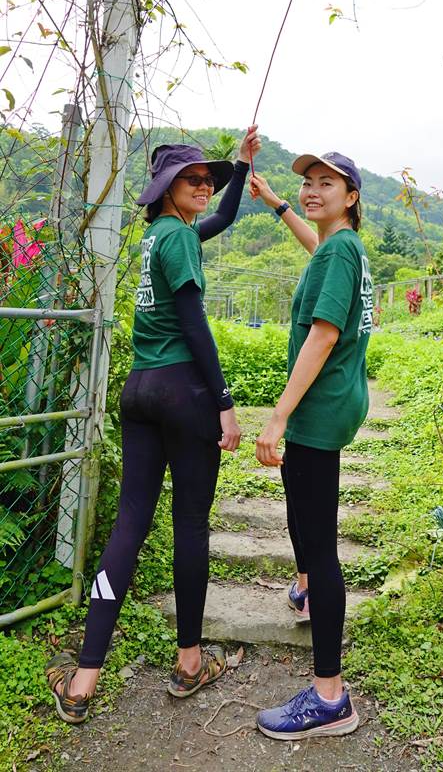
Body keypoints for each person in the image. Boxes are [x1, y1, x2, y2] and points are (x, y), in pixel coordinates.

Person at [46, 127, 261, 724]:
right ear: (166, 189)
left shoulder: (162, 237)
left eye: (207, 178)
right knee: (190, 523)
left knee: (130, 524)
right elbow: (195, 324)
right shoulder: (177, 240)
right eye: (192, 178)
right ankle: (189, 662)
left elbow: (224, 217)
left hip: (138, 389)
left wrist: (239, 168)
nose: (204, 184)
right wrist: (224, 400)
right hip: (182, 389)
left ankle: (84, 678)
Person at [249, 151, 374, 741]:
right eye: (307, 183)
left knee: (321, 545)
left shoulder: (341, 250)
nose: (311, 191)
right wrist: (275, 202)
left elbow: (323, 335)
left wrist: (277, 418)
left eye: (326, 183)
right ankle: (303, 586)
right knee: (302, 513)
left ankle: (330, 696)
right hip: (335, 403)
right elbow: (315, 248)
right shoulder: (337, 248)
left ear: (350, 196)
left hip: (319, 410)